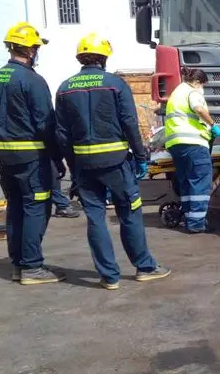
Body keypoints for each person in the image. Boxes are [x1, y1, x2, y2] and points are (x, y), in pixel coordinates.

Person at [55, 33, 170, 290]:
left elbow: (62, 134)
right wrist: (141, 157)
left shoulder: (65, 88)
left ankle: (109, 276)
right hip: (117, 163)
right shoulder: (115, 84)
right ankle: (145, 267)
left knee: (95, 218)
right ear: (104, 58)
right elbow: (130, 122)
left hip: (84, 164)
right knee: (129, 213)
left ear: (80, 58)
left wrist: (73, 168)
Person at [0, 22, 65, 285]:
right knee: (36, 207)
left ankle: (19, 264)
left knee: (16, 207)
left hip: (5, 157)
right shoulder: (32, 80)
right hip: (31, 157)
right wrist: (57, 157)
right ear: (30, 50)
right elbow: (45, 123)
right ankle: (32, 267)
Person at [165, 67, 220, 233]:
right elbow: (198, 108)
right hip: (194, 142)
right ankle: (197, 223)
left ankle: (190, 217)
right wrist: (212, 125)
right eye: (202, 84)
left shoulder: (176, 93)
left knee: (187, 181)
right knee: (200, 180)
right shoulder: (192, 91)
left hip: (176, 144)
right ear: (198, 82)